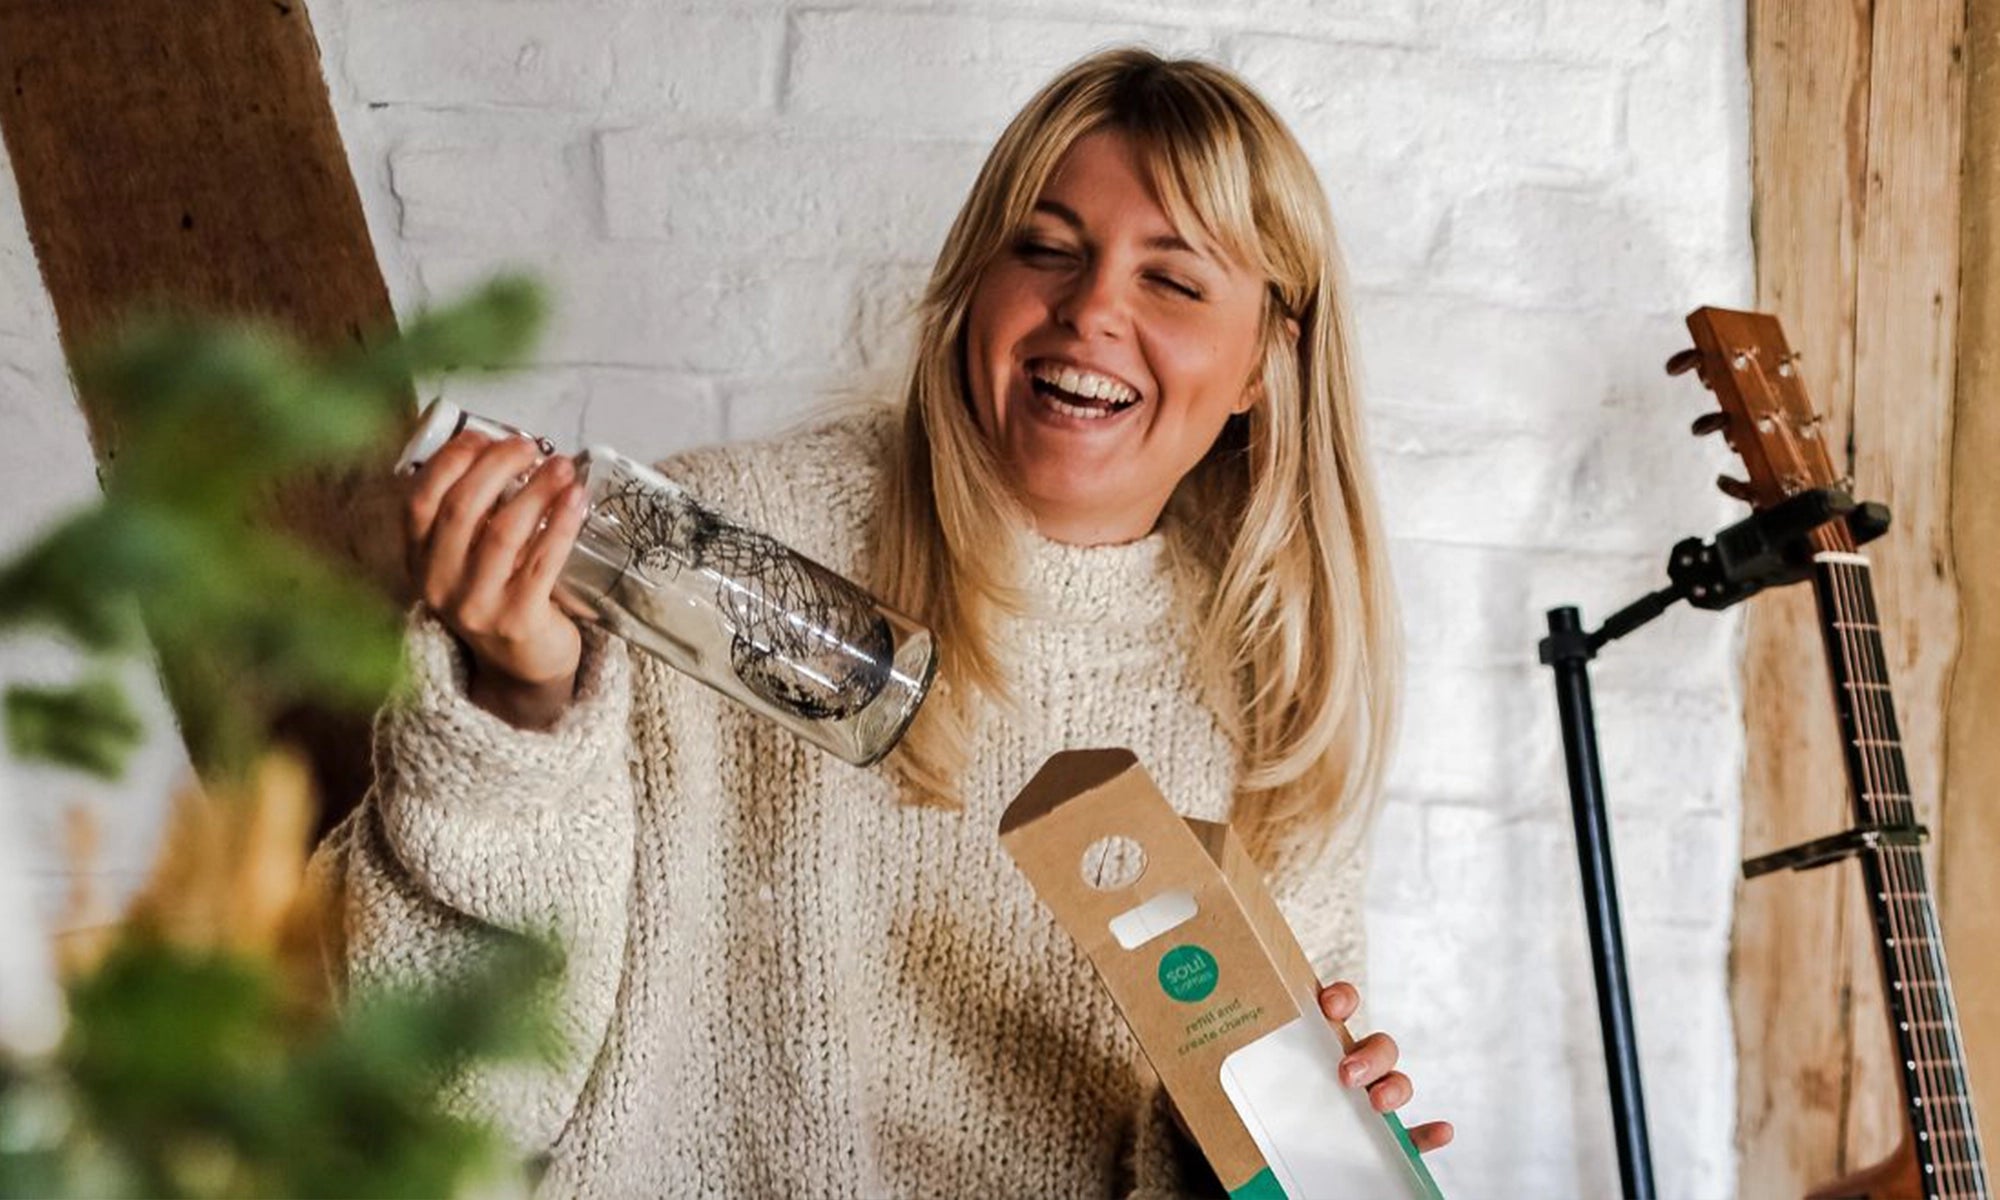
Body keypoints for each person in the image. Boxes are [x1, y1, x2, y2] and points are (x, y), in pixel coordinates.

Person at [315, 46, 1453, 1197]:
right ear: (973, 287)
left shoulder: (1276, 689)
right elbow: (447, 1096)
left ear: (1264, 359)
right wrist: (517, 707)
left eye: (1173, 280)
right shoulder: (712, 565)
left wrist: (1261, 1153)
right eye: (1046, 249)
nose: (1091, 309)